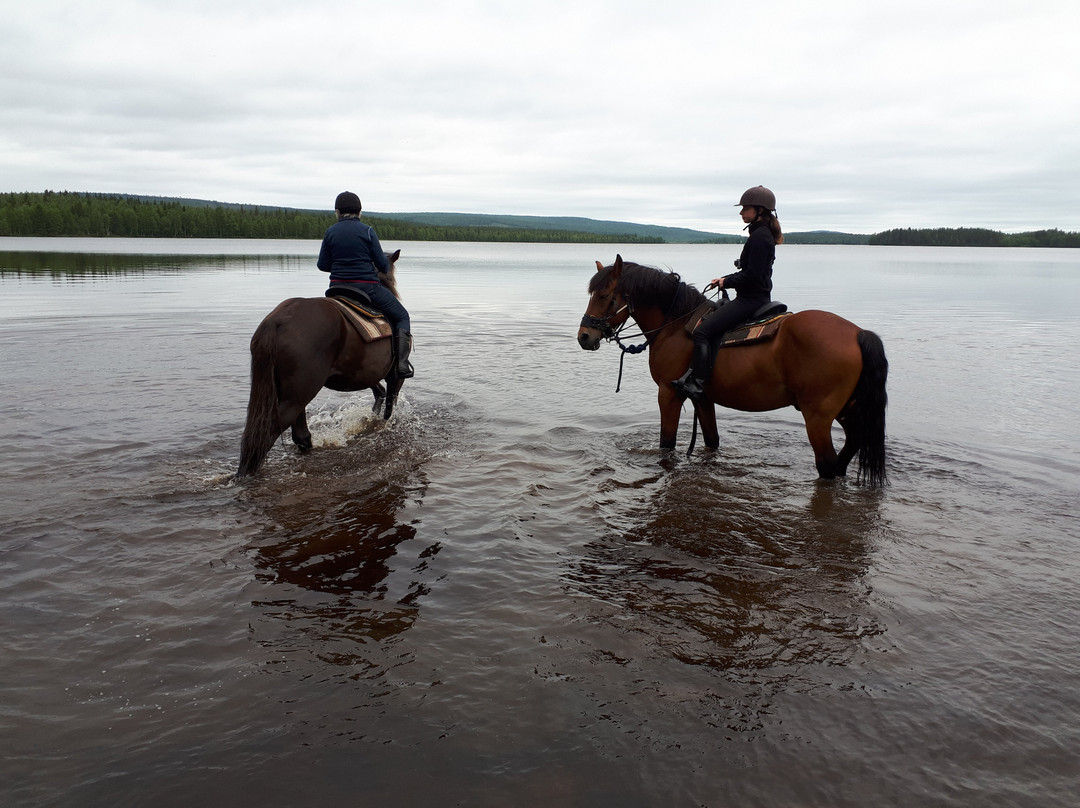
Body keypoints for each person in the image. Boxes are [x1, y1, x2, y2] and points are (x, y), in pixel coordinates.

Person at [673, 185, 783, 399]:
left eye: (745, 209)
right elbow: (752, 271)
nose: (741, 213)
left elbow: (753, 275)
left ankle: (698, 382)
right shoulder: (761, 234)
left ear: (759, 210)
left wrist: (726, 281)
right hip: (754, 296)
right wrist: (726, 280)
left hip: (751, 300)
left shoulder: (760, 237)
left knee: (702, 332)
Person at [318, 191, 413, 378]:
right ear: (359, 212)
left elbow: (322, 265)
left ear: (337, 212)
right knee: (402, 316)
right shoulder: (367, 231)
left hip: (336, 289)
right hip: (367, 288)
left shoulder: (330, 232)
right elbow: (383, 265)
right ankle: (401, 365)